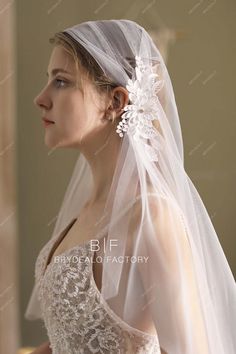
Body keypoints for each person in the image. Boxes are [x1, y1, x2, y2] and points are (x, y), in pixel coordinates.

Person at [25, 19, 236, 354]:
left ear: (115, 102)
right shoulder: (86, 210)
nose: (40, 98)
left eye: (61, 82)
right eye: (48, 80)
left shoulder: (150, 215)